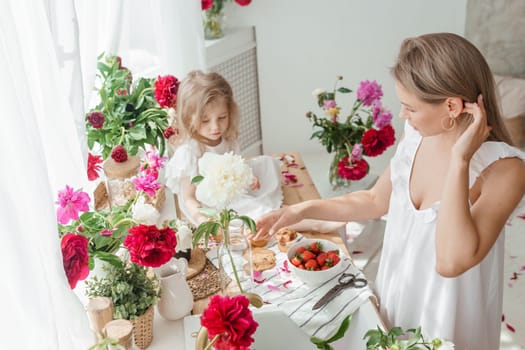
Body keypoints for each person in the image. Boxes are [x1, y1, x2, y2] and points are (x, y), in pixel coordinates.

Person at [254, 33, 525, 349]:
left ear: (451, 106)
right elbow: (374, 200)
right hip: (395, 302)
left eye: (410, 107)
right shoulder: (416, 134)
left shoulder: (505, 170)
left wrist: (460, 159)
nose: (402, 116)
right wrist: (302, 210)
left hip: (446, 325)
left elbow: (450, 262)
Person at [164, 70, 282, 226]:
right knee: (259, 212)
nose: (215, 127)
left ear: (230, 112)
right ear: (188, 118)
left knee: (268, 164)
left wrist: (247, 177)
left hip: (231, 191)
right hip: (210, 205)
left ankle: (271, 212)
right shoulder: (189, 152)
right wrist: (202, 218)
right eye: (205, 121)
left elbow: (237, 167)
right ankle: (304, 222)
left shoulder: (226, 138)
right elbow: (189, 198)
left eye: (222, 118)